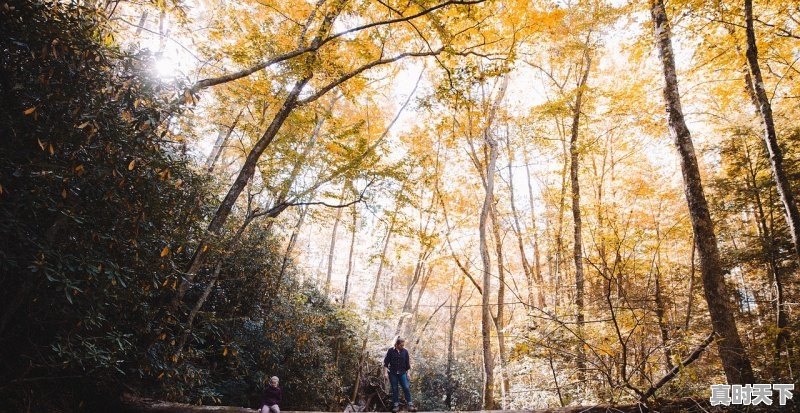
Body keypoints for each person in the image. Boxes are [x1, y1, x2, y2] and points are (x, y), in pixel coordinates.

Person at [383, 337, 415, 412]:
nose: (402, 346)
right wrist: (385, 373)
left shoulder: (405, 352)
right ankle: (396, 406)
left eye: (403, 345)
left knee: (406, 387)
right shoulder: (391, 351)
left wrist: (408, 374)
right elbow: (385, 363)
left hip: (402, 372)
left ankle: (410, 405)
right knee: (394, 389)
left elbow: (407, 364)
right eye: (401, 345)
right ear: (396, 344)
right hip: (393, 373)